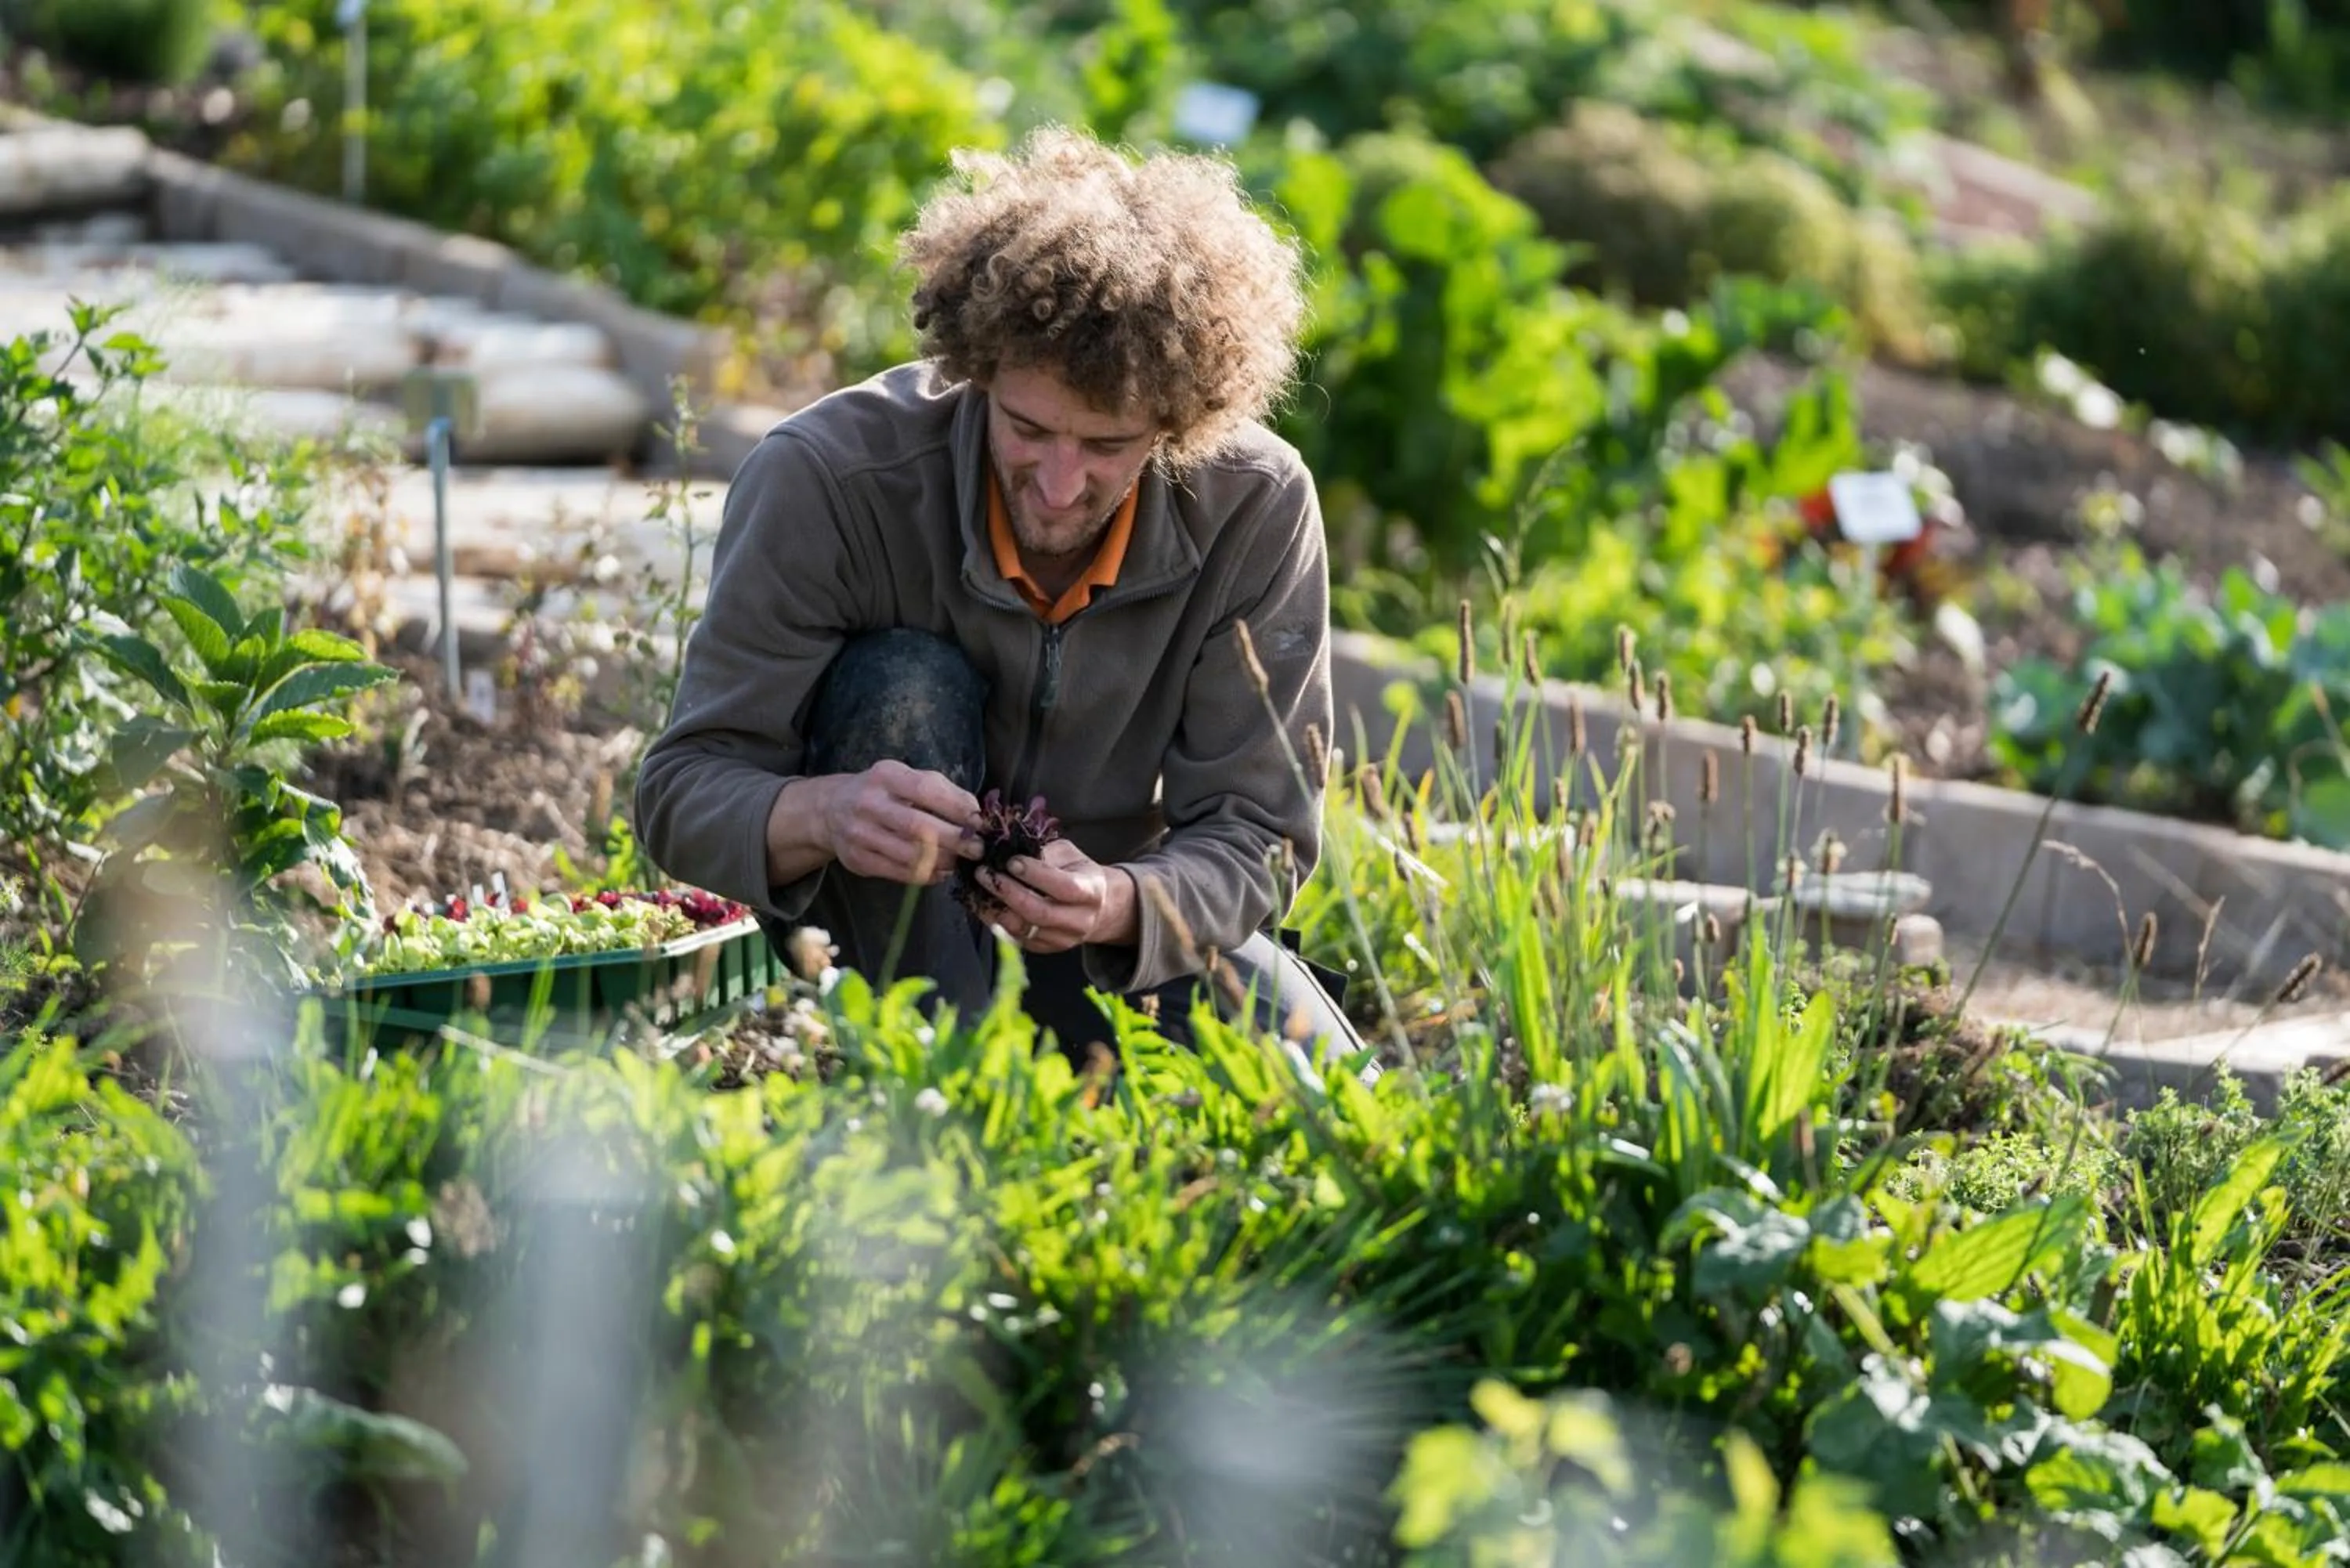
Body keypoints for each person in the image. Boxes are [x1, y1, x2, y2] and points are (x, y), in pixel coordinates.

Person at [634, 125, 1367, 1078]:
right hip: (872, 945)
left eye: (1107, 446)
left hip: (1108, 942)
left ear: (1179, 425)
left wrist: (1117, 900)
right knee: (902, 684)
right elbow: (685, 787)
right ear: (975, 372)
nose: (1061, 484)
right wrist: (826, 813)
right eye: (1028, 429)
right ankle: (938, 1082)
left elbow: (1258, 834)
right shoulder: (828, 479)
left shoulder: (1253, 506)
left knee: (1337, 1104)